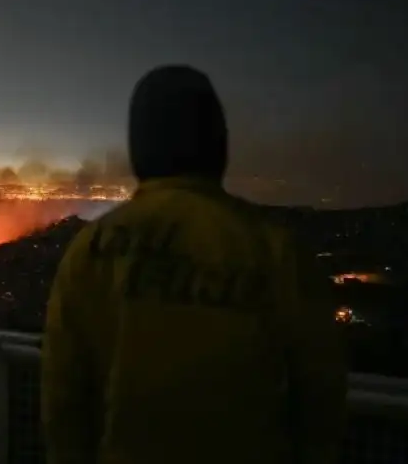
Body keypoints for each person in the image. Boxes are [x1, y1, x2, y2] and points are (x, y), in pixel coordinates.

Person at [41, 66, 347, 464]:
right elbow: (321, 396)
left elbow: (62, 401)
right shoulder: (274, 249)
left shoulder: (89, 251)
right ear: (218, 143)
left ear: (140, 147)